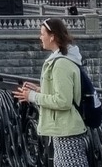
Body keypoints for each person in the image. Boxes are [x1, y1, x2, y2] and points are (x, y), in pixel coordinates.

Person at [14, 18, 89, 167]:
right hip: (64, 128)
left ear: (52, 36)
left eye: (42, 34)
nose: (40, 37)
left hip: (67, 129)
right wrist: (40, 89)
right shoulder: (63, 59)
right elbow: (64, 92)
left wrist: (32, 96)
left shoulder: (61, 63)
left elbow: (63, 101)